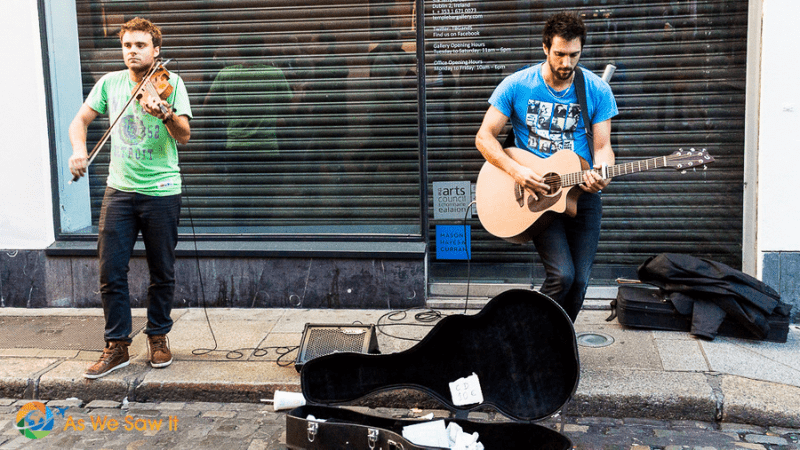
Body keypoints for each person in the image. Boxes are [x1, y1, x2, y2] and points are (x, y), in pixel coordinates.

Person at [68, 17, 192, 378]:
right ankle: (117, 345)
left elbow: (184, 135)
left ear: (156, 50)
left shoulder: (172, 85)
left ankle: (157, 336)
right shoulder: (110, 83)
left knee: (162, 271)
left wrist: (164, 112)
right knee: (110, 271)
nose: (132, 52)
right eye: (127, 46)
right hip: (119, 190)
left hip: (162, 191)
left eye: (140, 45)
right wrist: (79, 150)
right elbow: (80, 121)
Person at [475, 12, 618, 322]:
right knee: (562, 277)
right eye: (559, 54)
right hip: (537, 191)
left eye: (574, 55)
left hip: (582, 192)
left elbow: (603, 147)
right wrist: (517, 171)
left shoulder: (596, 90)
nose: (566, 63)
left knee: (579, 283)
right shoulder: (516, 85)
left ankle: (554, 345)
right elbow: (484, 138)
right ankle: (525, 334)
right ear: (545, 48)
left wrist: (602, 174)